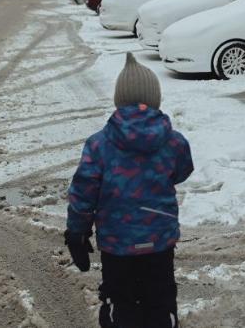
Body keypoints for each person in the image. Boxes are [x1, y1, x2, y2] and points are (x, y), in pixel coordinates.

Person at [65, 53, 193, 328]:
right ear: (155, 98)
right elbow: (183, 171)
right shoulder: (174, 142)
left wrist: (77, 231)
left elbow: (83, 193)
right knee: (160, 298)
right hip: (159, 242)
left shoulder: (99, 145)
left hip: (117, 246)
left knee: (120, 302)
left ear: (119, 100)